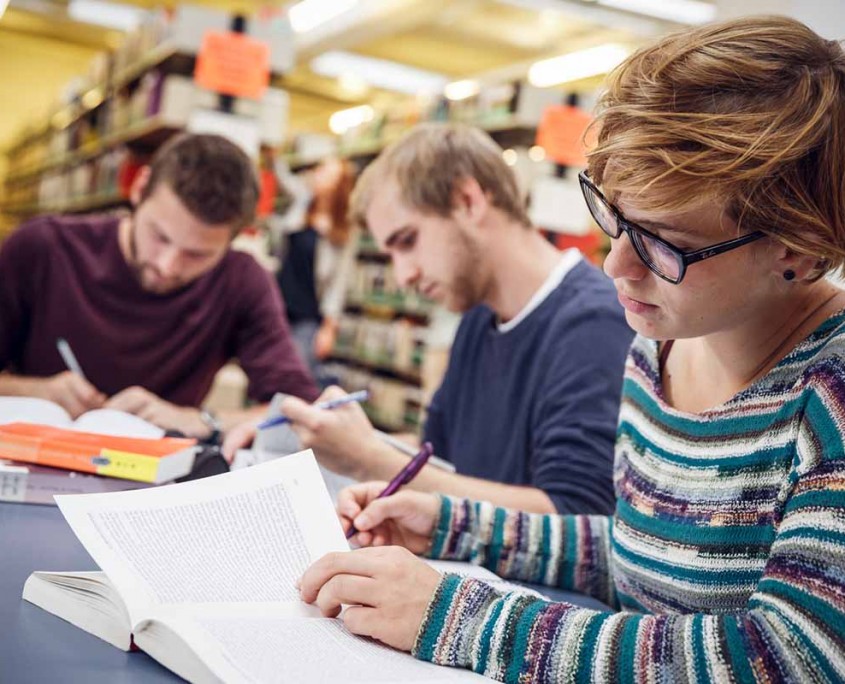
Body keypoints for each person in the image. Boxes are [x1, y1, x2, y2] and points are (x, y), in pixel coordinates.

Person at [298, 16, 845, 681]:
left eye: (660, 242)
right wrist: (451, 525)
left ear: (798, 246)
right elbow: (630, 555)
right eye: (613, 218)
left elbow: (791, 658)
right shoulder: (658, 347)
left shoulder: (829, 392)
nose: (615, 265)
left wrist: (461, 617)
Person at [226, 123, 634, 515]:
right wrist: (323, 443)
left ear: (469, 201)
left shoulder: (593, 324)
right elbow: (439, 455)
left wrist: (370, 459)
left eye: (408, 241)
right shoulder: (479, 316)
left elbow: (574, 516)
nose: (404, 276)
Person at [0, 133, 318, 439]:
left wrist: (202, 420)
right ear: (139, 188)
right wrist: (35, 392)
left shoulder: (241, 280)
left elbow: (303, 411)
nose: (167, 266)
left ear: (235, 240)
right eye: (159, 236)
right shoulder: (42, 248)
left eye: (197, 254)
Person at [272, 157, 359, 382]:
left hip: (307, 316)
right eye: (320, 170)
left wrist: (329, 328)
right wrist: (274, 158)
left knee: (296, 378)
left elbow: (339, 282)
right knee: (269, 372)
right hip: (278, 306)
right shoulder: (302, 205)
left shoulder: (343, 229)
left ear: (340, 183)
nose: (318, 175)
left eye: (328, 173)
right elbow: (286, 181)